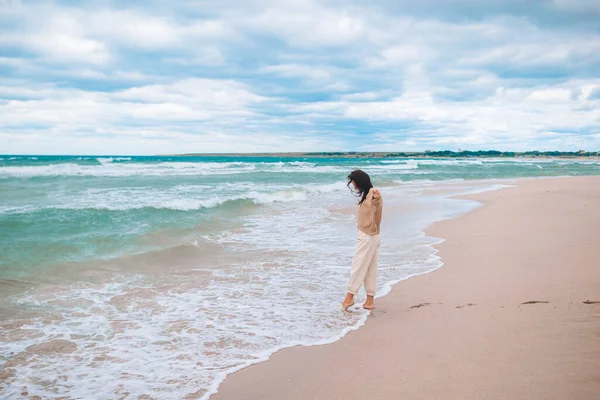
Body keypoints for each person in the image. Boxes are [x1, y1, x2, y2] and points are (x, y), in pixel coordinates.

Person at [342, 169, 383, 311]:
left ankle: (349, 297)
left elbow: (377, 205)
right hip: (372, 236)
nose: (353, 185)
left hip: (368, 236)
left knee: (358, 266)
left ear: (359, 181)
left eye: (353, 182)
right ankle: (370, 300)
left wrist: (377, 198)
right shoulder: (367, 195)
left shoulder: (373, 194)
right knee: (370, 268)